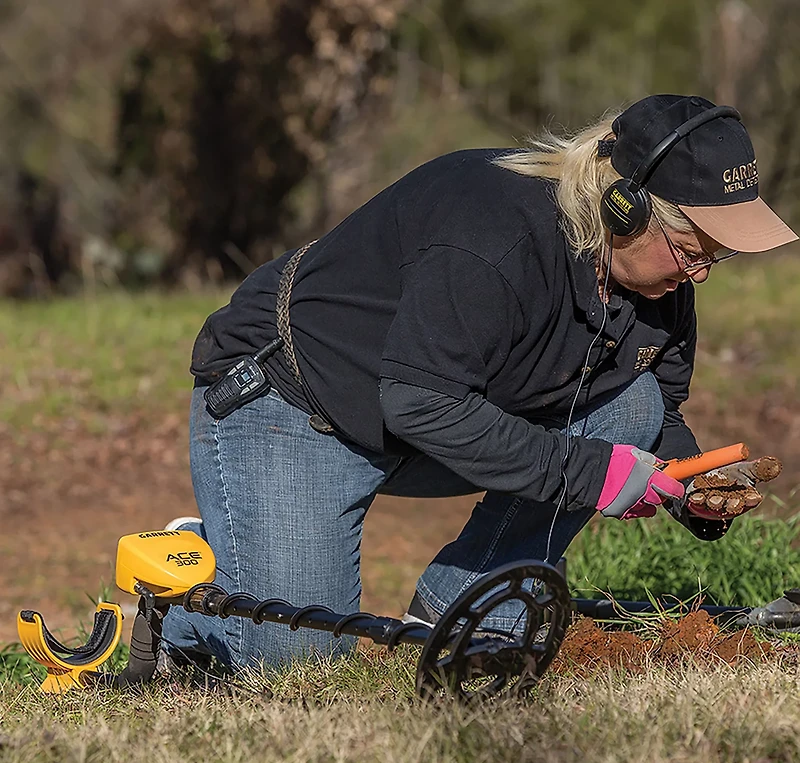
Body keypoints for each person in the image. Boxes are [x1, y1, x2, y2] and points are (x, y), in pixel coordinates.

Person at [161, 94, 797, 672]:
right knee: (296, 666)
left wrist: (690, 483)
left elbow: (654, 414)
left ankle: (463, 606)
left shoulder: (660, 285)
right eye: (692, 249)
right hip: (296, 401)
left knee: (631, 406)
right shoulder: (494, 236)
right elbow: (420, 403)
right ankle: (188, 572)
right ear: (624, 209)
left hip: (434, 410)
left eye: (717, 255)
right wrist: (588, 474)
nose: (700, 274)